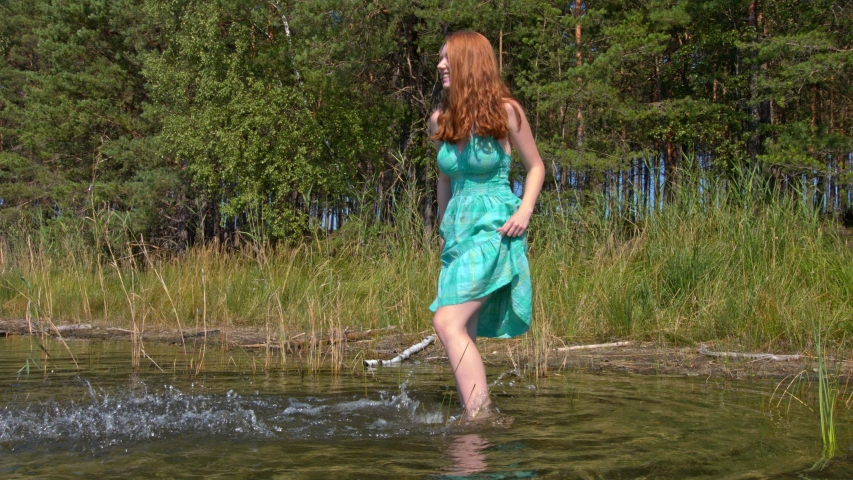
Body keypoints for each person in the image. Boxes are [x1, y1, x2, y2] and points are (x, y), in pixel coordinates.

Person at [428, 31, 545, 419]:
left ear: (469, 62)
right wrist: (442, 227)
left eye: (447, 58)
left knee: (447, 321)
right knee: (463, 330)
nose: (440, 65)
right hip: (458, 236)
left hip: (496, 229)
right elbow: (445, 180)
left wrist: (525, 210)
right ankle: (474, 425)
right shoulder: (440, 119)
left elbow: (536, 167)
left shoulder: (506, 111)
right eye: (440, 58)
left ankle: (482, 417)